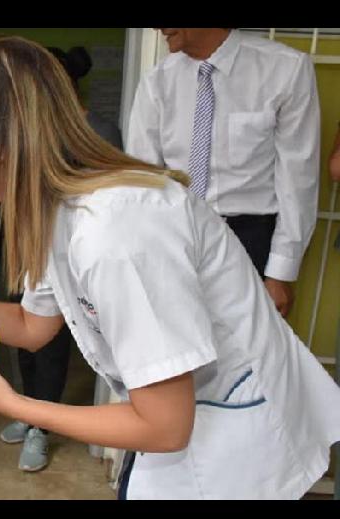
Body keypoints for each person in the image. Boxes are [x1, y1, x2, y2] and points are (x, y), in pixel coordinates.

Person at [0, 35, 340, 499]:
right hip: (180, 423)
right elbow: (31, 325)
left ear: (2, 135)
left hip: (235, 431)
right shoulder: (57, 209)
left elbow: (165, 426)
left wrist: (18, 405)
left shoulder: (118, 231)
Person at [126, 28, 320, 318]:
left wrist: (280, 273)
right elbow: (141, 179)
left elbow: (298, 181)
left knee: (243, 355)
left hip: (249, 241)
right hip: (174, 237)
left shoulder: (285, 70)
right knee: (179, 350)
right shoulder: (158, 81)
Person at [0, 45, 125, 472]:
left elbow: (106, 201)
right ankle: (29, 409)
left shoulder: (99, 131)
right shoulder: (29, 134)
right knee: (25, 333)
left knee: (51, 341)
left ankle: (42, 428)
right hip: (26, 245)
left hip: (71, 254)